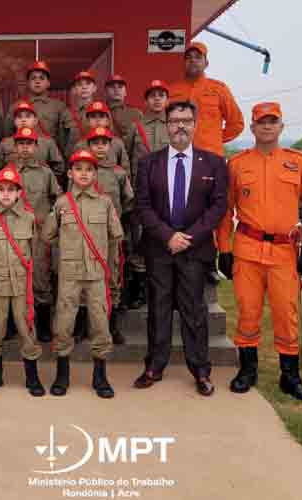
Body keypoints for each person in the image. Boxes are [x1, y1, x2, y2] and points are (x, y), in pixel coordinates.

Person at [216, 102, 302, 402]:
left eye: (272, 121)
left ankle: (290, 376)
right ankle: (247, 370)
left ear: (281, 126)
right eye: (261, 122)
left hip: (284, 253)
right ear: (252, 128)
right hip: (247, 250)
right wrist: (224, 249)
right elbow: (226, 212)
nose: (267, 126)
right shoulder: (237, 164)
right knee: (248, 312)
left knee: (286, 314)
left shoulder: (298, 163)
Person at [133, 101, 228, 397]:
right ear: (166, 125)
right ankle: (154, 367)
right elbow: (143, 206)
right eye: (175, 121)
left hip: (194, 249)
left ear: (195, 124)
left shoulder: (213, 164)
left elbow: (218, 206)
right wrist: (167, 236)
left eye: (186, 120)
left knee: (194, 311)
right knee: (158, 310)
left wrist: (188, 236)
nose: (180, 126)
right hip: (160, 248)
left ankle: (200, 370)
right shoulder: (149, 163)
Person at [42, 150, 123, 398]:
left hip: (97, 274)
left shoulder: (105, 203)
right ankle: (62, 375)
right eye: (79, 169)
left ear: (95, 174)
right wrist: (67, 250)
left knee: (100, 324)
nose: (84, 174)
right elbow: (48, 235)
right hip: (70, 274)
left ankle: (100, 376)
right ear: (70, 173)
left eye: (89, 169)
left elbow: (114, 239)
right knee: (64, 323)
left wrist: (113, 274)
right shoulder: (62, 204)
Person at [0, 166, 45, 397]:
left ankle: (32, 376)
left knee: (26, 326)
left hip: (21, 283)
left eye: (10, 189)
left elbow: (34, 250)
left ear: (19, 192)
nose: (5, 194)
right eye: (1, 189)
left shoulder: (28, 217)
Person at [10, 126, 63, 342]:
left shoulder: (45, 172)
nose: (25, 147)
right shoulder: (8, 171)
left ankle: (43, 326)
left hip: (39, 234)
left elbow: (57, 200)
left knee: (41, 278)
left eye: (29, 143)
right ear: (15, 146)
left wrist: (50, 223)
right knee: (14, 278)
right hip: (13, 233)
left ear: (36, 146)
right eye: (21, 143)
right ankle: (16, 324)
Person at [123, 80, 171, 310]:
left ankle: (162, 291)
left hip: (167, 195)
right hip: (141, 195)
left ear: (167, 99)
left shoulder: (174, 127)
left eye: (161, 94)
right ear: (146, 101)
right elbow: (126, 158)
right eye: (152, 95)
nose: (157, 99)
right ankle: (139, 290)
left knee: (165, 240)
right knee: (139, 241)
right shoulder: (135, 127)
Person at [87, 126, 134, 342]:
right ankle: (84, 326)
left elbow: (128, 202)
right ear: (89, 146)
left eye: (103, 143)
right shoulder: (82, 171)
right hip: (85, 235)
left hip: (110, 234)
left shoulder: (119, 173)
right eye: (95, 142)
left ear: (110, 146)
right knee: (84, 277)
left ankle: (111, 325)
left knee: (112, 277)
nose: (99, 147)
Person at [169, 42, 244, 158]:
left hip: (211, 157)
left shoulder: (219, 89)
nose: (193, 60)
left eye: (198, 57)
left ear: (206, 63)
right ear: (184, 63)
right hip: (178, 156)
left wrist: (214, 140)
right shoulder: (171, 91)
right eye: (188, 57)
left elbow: (236, 123)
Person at [5, 61, 72, 152]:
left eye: (42, 78)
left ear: (48, 83)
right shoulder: (16, 106)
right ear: (28, 82)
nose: (37, 81)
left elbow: (63, 138)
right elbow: (7, 135)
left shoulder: (58, 106)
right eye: (33, 78)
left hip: (48, 155)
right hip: (22, 154)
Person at [0, 101, 63, 180]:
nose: (23, 120)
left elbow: (58, 168)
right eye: (19, 117)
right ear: (14, 121)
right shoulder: (5, 143)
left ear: (35, 120)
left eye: (28, 116)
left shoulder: (47, 142)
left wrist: (46, 181)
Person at [66, 70, 99, 156]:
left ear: (94, 88)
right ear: (74, 89)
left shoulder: (102, 111)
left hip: (97, 157)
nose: (84, 87)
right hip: (74, 158)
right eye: (79, 84)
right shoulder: (66, 113)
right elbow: (63, 141)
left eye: (88, 83)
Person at [104, 74, 143, 142]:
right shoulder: (99, 112)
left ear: (125, 92)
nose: (116, 90)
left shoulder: (136, 113)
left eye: (120, 87)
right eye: (112, 87)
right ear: (106, 91)